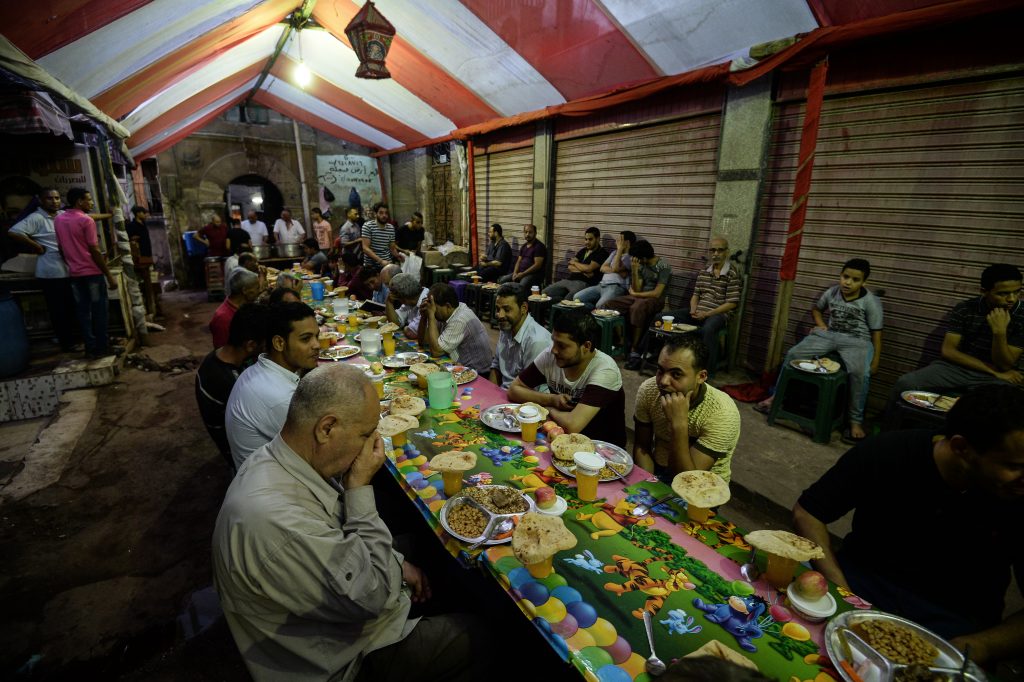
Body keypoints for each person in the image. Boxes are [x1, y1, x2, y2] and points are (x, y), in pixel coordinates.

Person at [214, 363, 485, 681]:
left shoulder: (280, 457)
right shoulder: (278, 522)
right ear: (326, 428)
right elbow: (372, 598)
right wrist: (359, 489)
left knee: (428, 549)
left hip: (337, 596)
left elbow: (345, 542)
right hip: (343, 657)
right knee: (483, 634)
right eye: (366, 434)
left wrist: (397, 564)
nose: (373, 445)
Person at [793, 384, 1024, 665]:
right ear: (961, 447)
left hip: (953, 624)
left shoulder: (1017, 497)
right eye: (1014, 466)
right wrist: (841, 592)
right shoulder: (889, 452)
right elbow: (809, 512)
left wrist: (974, 648)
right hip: (859, 586)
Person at [755, 258, 883, 442]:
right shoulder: (832, 292)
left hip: (858, 341)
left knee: (860, 373)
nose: (848, 282)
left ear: (864, 282)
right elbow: (817, 310)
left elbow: (877, 335)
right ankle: (775, 397)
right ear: (840, 275)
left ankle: (855, 421)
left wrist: (875, 360)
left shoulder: (871, 302)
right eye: (845, 277)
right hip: (830, 335)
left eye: (855, 280)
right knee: (793, 355)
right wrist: (821, 325)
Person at [889, 264, 1023, 406]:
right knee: (906, 383)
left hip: (996, 377)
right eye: (1003, 294)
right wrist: (993, 371)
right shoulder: (965, 308)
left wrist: (999, 333)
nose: (1012, 299)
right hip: (958, 368)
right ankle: (888, 424)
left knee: (997, 403)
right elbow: (948, 351)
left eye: (1017, 292)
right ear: (984, 291)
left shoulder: (1021, 315)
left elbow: (1005, 365)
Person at [509, 311, 626, 447]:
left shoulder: (605, 370)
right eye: (553, 342)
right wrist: (551, 399)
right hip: (562, 440)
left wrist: (547, 408)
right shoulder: (551, 356)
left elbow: (572, 425)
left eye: (562, 346)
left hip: (601, 450)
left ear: (586, 346)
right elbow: (513, 390)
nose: (553, 350)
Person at [225, 302, 320, 469]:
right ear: (279, 343)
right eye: (306, 339)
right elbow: (321, 451)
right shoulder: (280, 398)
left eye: (316, 336)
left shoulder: (260, 369)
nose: (317, 345)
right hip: (276, 486)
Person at [633, 333, 740, 482]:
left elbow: (688, 479)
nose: (663, 381)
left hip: (704, 486)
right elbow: (642, 446)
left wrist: (679, 424)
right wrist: (647, 483)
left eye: (676, 374)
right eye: (660, 370)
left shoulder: (722, 413)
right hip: (659, 470)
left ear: (701, 376)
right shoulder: (649, 391)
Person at [653, 236, 741, 374]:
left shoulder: (732, 273)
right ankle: (653, 356)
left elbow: (732, 303)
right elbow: (695, 295)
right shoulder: (704, 272)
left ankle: (706, 371)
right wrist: (694, 309)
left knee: (707, 330)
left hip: (718, 314)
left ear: (727, 252)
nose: (716, 254)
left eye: (720, 250)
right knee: (661, 317)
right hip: (699, 311)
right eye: (712, 250)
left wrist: (707, 314)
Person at [196, 303, 266, 469]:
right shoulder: (232, 383)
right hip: (239, 454)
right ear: (250, 345)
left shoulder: (218, 355)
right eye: (265, 344)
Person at [7, 188, 77, 351]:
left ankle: (71, 339)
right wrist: (37, 246)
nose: (54, 201)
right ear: (40, 200)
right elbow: (14, 232)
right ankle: (66, 344)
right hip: (50, 272)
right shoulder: (37, 217)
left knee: (70, 308)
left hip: (67, 269)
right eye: (49, 198)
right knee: (58, 310)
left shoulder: (61, 215)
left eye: (57, 198)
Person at [54, 187, 118, 358]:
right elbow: (95, 250)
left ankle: (90, 347)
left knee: (83, 312)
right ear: (79, 201)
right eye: (89, 200)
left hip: (75, 273)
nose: (91, 203)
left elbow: (61, 248)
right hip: (92, 273)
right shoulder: (86, 221)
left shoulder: (59, 219)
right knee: (99, 311)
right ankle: (102, 347)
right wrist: (109, 275)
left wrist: (72, 263)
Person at [604, 239, 671, 369]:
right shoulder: (640, 265)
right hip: (639, 296)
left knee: (636, 307)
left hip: (655, 300)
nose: (635, 261)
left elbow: (657, 293)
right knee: (610, 304)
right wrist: (634, 271)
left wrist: (636, 295)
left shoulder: (663, 267)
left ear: (644, 258)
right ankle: (622, 341)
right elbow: (637, 288)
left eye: (637, 259)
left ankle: (634, 348)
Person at [419, 283, 493, 373]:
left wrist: (431, 316)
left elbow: (436, 352)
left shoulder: (460, 319)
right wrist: (423, 317)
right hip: (459, 365)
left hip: (477, 373)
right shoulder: (445, 312)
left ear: (448, 306)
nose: (432, 310)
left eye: (434, 308)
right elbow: (425, 342)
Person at [490, 283, 551, 389]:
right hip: (503, 395)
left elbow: (530, 389)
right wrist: (491, 394)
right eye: (498, 309)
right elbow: (496, 366)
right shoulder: (506, 327)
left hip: (524, 400)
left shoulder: (537, 341)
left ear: (524, 308)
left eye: (507, 309)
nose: (500, 315)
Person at [574, 230, 636, 310]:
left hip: (615, 287)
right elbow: (602, 268)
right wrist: (616, 270)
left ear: (627, 242)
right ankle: (593, 312)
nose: (617, 241)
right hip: (601, 285)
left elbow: (615, 267)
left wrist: (620, 250)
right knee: (577, 298)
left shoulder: (630, 257)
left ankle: (595, 313)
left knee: (600, 306)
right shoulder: (614, 253)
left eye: (620, 240)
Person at [543, 226, 607, 302]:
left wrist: (576, 263)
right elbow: (570, 266)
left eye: (590, 239)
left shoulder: (602, 253)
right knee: (545, 293)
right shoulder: (583, 251)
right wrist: (584, 270)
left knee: (567, 300)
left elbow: (589, 268)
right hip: (570, 279)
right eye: (585, 239)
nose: (587, 242)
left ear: (598, 239)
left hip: (584, 283)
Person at [210, 268, 261, 348]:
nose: (260, 291)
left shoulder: (244, 307)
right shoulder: (223, 318)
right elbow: (223, 351)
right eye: (257, 288)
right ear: (244, 290)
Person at [499, 224, 547, 290]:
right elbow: (518, 261)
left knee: (521, 285)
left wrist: (523, 274)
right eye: (526, 232)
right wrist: (515, 273)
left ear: (535, 233)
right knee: (502, 280)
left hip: (533, 275)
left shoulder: (539, 247)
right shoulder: (524, 246)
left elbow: (537, 265)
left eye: (530, 232)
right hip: (520, 273)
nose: (527, 234)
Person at [385, 272, 429, 339]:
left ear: (401, 297)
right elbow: (395, 324)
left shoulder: (426, 300)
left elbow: (411, 333)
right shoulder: (409, 301)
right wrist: (389, 302)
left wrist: (405, 327)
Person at [362, 202, 402, 267]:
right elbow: (365, 248)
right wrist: (380, 261)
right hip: (371, 266)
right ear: (375, 214)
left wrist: (397, 255)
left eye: (386, 213)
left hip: (387, 264)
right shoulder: (368, 226)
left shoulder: (390, 228)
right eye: (381, 213)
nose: (384, 215)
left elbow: (392, 248)